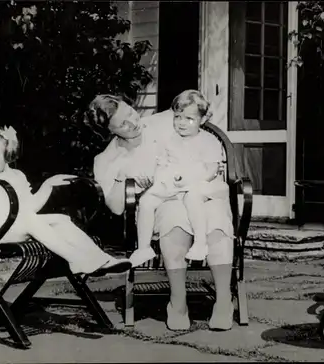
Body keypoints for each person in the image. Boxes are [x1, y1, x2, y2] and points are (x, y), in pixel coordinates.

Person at [90, 91, 235, 331]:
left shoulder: (163, 121)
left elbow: (194, 106)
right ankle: (178, 303)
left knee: (216, 219)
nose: (133, 122)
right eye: (123, 125)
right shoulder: (107, 159)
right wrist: (122, 176)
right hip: (162, 200)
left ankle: (223, 301)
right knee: (174, 222)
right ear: (111, 132)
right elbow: (116, 207)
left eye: (131, 113)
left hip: (200, 189)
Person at [0, 126, 132, 275]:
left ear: (7, 158)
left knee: (60, 219)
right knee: (31, 220)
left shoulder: (15, 176)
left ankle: (100, 259)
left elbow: (29, 208)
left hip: (10, 230)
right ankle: (78, 259)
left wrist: (47, 186)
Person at [128, 90, 229, 267]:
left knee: (193, 198)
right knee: (146, 202)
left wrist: (192, 181)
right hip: (173, 183)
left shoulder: (208, 140)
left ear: (203, 120)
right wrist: (159, 180)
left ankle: (200, 243)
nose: (182, 123)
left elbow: (212, 170)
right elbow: (162, 162)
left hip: (198, 183)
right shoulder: (170, 139)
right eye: (178, 117)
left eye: (189, 119)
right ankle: (143, 248)